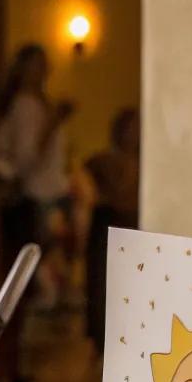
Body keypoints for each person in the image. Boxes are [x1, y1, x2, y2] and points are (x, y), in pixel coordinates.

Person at [0, 44, 76, 382]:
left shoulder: (37, 104)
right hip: (35, 200)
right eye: (36, 65)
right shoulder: (26, 107)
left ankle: (16, 364)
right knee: (27, 285)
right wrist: (54, 123)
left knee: (35, 286)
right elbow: (27, 160)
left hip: (48, 196)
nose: (42, 72)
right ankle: (11, 366)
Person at [85, 106, 140, 357]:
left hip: (133, 226)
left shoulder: (149, 163)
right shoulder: (103, 162)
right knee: (104, 287)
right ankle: (103, 346)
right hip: (109, 227)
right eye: (131, 126)